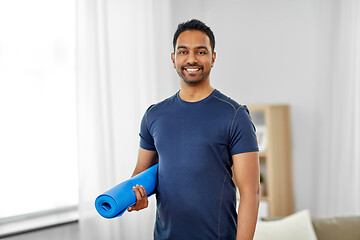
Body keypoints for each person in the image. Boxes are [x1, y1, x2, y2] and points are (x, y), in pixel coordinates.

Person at [128, 19, 260, 240]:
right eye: (183, 52)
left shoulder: (235, 116)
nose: (191, 59)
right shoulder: (154, 115)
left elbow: (250, 193)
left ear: (213, 58)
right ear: (173, 59)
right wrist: (136, 197)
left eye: (200, 52)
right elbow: (140, 174)